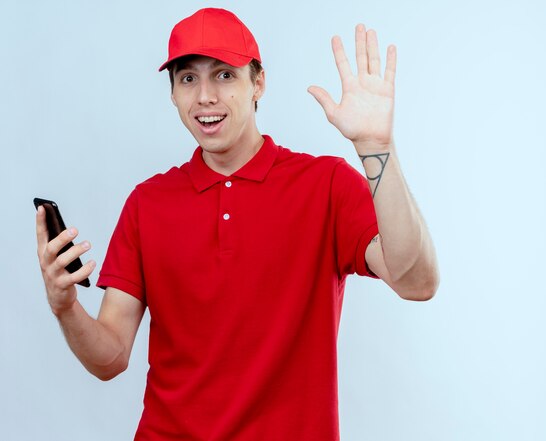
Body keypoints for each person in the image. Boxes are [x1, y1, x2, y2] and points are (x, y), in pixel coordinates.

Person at [35, 7, 439, 441]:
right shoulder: (147, 204)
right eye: (188, 78)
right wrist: (65, 306)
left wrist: (378, 148)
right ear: (173, 93)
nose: (205, 96)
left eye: (224, 75)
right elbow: (109, 357)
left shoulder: (327, 185)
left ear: (257, 83)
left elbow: (416, 282)